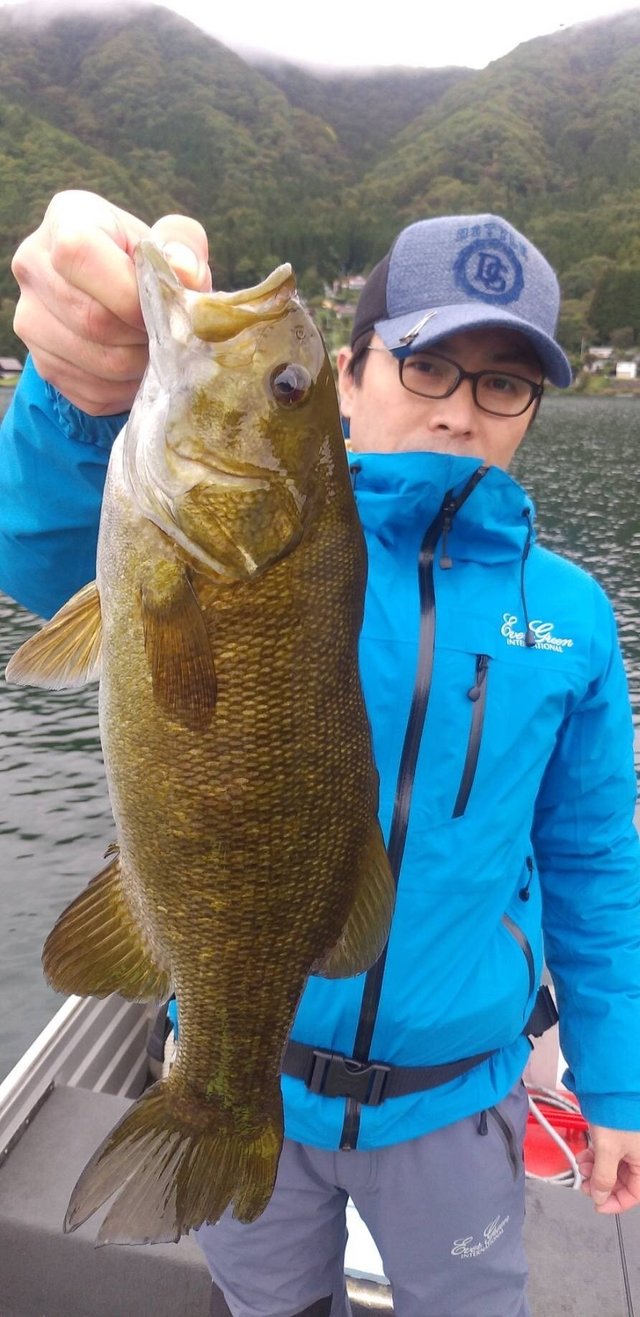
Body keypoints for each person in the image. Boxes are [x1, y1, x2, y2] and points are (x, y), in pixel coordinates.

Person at [2, 192, 640, 1317]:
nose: (460, 410)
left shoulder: (576, 619)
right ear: (350, 377)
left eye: (502, 382)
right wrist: (76, 393)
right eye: (427, 364)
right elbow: (45, 548)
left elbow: (592, 863)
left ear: (530, 409)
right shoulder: (240, 534)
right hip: (261, 1073)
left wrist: (620, 1081)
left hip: (457, 1101)